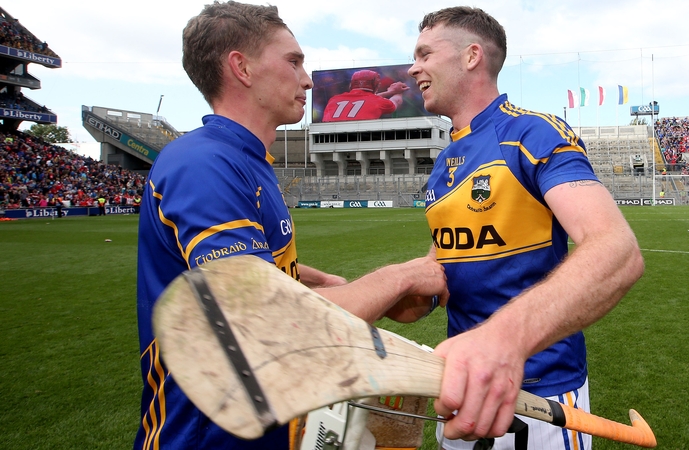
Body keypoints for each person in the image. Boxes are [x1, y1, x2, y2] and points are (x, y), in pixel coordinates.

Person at [135, 3, 449, 450]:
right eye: (294, 61)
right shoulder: (204, 163)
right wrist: (402, 275)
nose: (307, 79)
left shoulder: (246, 160)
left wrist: (320, 281)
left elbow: (250, 277)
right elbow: (264, 321)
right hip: (207, 436)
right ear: (241, 67)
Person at [408, 7, 644, 450]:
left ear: (471, 56)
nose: (412, 67)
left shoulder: (531, 133)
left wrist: (502, 341)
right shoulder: (442, 164)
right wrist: (397, 292)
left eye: (424, 53)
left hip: (541, 396)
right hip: (462, 391)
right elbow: (446, 267)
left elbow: (617, 250)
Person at [322, 69, 409, 122]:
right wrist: (399, 91)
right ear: (375, 85)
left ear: (351, 84)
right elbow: (396, 101)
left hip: (329, 141)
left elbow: (366, 100)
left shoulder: (333, 99)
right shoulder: (377, 101)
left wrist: (389, 92)